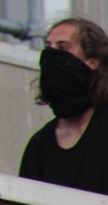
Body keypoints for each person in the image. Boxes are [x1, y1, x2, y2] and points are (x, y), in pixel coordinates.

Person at [18, 17, 108, 194]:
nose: (52, 55)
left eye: (63, 48)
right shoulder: (39, 145)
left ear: (92, 62)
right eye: (48, 47)